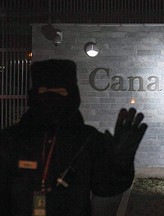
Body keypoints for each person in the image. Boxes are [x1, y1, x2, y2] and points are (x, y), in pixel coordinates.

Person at [0, 59, 147, 216]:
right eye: (44, 91)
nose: (52, 99)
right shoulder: (11, 140)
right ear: (33, 94)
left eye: (60, 92)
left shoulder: (87, 139)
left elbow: (106, 187)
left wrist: (120, 161)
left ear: (73, 94)